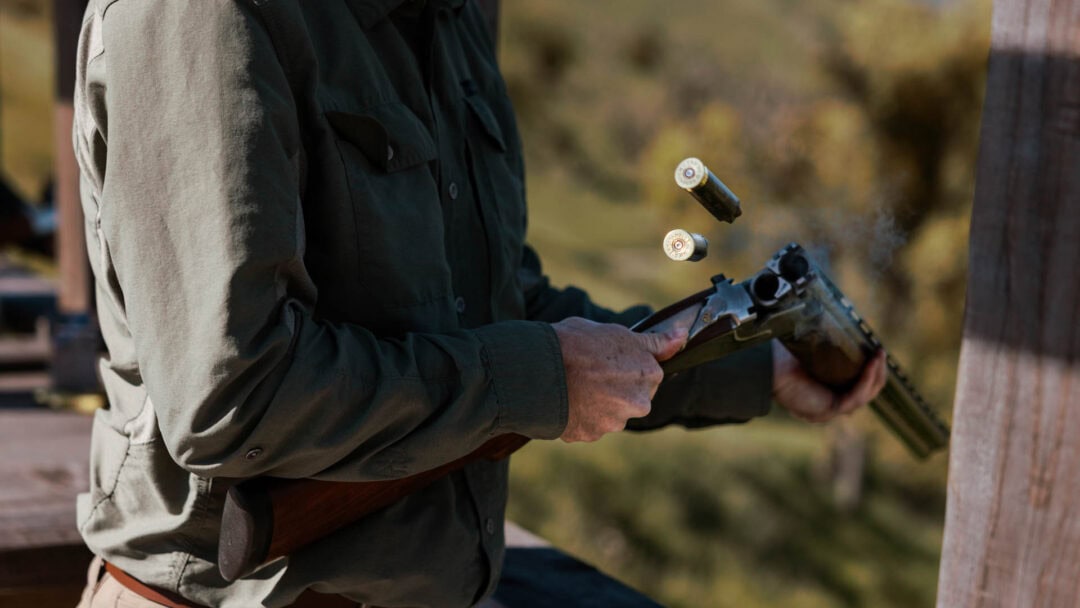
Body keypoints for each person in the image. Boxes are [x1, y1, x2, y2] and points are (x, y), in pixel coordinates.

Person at [71, 1, 887, 606]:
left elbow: (497, 306)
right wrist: (534, 379)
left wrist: (752, 364)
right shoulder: (204, 16)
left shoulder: (455, 15)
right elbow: (235, 396)